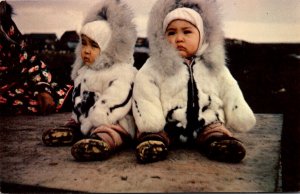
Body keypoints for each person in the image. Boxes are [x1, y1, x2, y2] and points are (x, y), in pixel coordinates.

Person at [132, 0, 256, 163]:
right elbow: (144, 90)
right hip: (168, 125)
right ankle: (153, 144)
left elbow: (230, 89)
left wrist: (239, 114)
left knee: (216, 130)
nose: (179, 38)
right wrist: (151, 121)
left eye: (186, 32)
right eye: (171, 33)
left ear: (202, 36)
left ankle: (220, 144)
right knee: (153, 134)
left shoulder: (213, 66)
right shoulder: (155, 66)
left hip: (206, 122)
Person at [42, 0, 137, 161]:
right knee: (76, 119)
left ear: (108, 47)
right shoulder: (85, 72)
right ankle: (73, 130)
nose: (86, 51)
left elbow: (118, 97)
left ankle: (100, 142)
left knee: (113, 130)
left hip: (113, 118)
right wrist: (79, 115)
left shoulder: (122, 71)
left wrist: (98, 117)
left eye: (94, 45)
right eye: (84, 44)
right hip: (87, 119)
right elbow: (79, 96)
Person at [0, 1, 72, 115]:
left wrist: (42, 88)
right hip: (7, 96)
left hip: (17, 85)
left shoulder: (6, 24)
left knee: (68, 94)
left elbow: (28, 59)